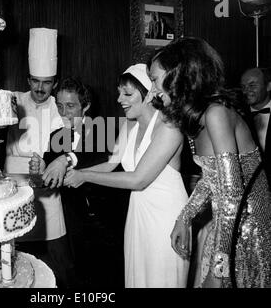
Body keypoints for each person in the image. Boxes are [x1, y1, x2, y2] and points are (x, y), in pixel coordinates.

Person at [157, 37, 271, 288]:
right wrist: (184, 217)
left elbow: (232, 197)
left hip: (247, 227)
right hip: (228, 224)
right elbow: (213, 179)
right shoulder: (196, 117)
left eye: (156, 80)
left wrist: (220, 270)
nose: (154, 89)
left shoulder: (216, 113)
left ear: (180, 77)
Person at [63, 64, 189, 288]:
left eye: (128, 94)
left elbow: (137, 179)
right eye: (119, 92)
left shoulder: (170, 126)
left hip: (166, 216)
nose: (120, 99)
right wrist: (72, 172)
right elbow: (112, 164)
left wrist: (84, 175)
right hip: (138, 211)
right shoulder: (129, 124)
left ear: (150, 93)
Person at [4, 28, 72, 288]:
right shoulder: (13, 101)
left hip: (48, 196)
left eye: (47, 82)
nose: (40, 88)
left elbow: (74, 141)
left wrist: (61, 158)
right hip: (15, 191)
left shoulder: (61, 107)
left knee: (56, 270)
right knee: (16, 272)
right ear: (28, 79)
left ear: (55, 82)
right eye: (35, 81)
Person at [29, 77, 109, 285]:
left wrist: (65, 159)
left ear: (86, 107)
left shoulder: (101, 129)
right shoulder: (56, 134)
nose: (63, 113)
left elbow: (98, 155)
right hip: (72, 218)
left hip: (105, 219)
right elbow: (48, 180)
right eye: (60, 106)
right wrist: (39, 173)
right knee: (78, 273)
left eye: (71, 106)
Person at [240, 67, 271, 184]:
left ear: (268, 86)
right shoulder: (237, 116)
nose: (246, 91)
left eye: (252, 85)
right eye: (243, 87)